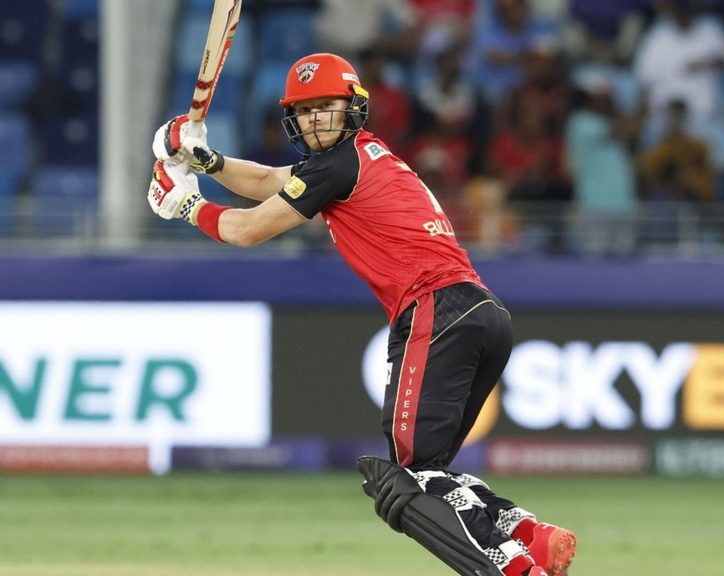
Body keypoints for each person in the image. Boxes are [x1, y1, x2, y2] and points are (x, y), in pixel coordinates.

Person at [147, 53, 574, 576]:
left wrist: (185, 205)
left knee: (406, 484)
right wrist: (207, 161)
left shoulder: (337, 164)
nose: (315, 120)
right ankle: (525, 532)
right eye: (304, 111)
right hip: (481, 312)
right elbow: (270, 180)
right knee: (427, 473)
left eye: (325, 106)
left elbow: (247, 229)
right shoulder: (360, 158)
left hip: (435, 310)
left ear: (353, 107)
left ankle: (513, 568)